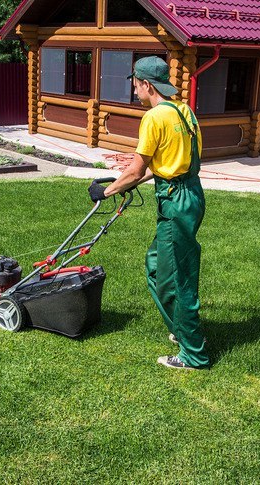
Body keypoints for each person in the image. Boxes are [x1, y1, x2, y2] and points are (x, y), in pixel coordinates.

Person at [88, 56, 209, 370]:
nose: (134, 89)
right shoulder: (183, 111)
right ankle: (182, 329)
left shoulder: (155, 117)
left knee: (176, 279)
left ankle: (193, 354)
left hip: (176, 201)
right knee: (156, 265)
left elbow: (138, 169)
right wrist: (128, 182)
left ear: (146, 84)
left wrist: (106, 190)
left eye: (135, 83)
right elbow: (163, 165)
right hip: (189, 194)